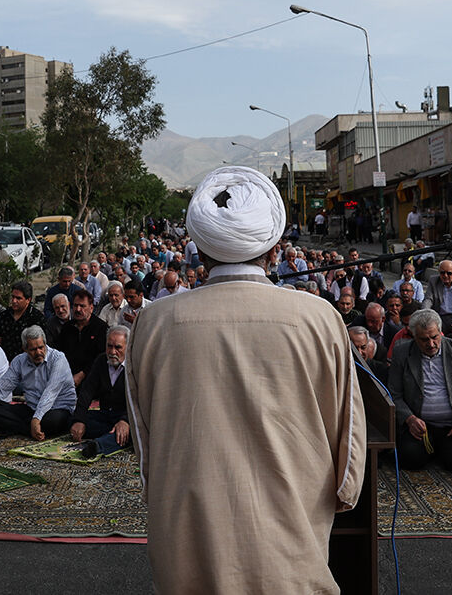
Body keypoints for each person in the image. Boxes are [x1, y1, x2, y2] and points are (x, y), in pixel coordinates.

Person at [127, 166, 365, 595]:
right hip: (293, 526)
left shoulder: (153, 322)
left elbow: (145, 442)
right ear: (274, 250)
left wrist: (159, 492)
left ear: (199, 247)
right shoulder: (319, 318)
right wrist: (344, 492)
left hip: (187, 524)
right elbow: (348, 432)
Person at [387, 309, 452, 472]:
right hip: (420, 425)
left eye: (434, 337)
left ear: (441, 332)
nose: (431, 344)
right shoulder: (402, 352)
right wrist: (409, 419)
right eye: (424, 340)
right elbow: (394, 393)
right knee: (410, 458)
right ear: (414, 337)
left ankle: (441, 451)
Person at [0, 325, 76, 439]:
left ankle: (23, 426)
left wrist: (36, 419)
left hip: (58, 408)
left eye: (41, 347)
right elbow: (1, 387)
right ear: (25, 349)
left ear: (45, 344)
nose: (38, 352)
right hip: (32, 408)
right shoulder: (20, 361)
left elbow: (51, 393)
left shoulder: (58, 359)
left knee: (52, 422)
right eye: (33, 349)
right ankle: (30, 427)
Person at [70, 325, 132, 458]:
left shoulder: (135, 365)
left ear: (128, 346)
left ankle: (98, 446)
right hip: (105, 415)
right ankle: (112, 436)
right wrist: (79, 420)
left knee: (132, 432)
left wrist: (125, 420)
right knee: (71, 418)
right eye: (109, 346)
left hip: (126, 416)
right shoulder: (101, 361)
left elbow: (140, 399)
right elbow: (87, 391)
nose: (113, 352)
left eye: (118, 347)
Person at [57, 290, 109, 386]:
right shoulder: (67, 328)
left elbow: (101, 357)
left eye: (82, 306)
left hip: (93, 379)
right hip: (68, 378)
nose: (78, 309)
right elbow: (60, 353)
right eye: (75, 305)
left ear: (91, 308)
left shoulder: (101, 328)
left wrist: (82, 374)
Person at [0, 281, 44, 362]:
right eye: (13, 297)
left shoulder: (36, 318)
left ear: (28, 300)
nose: (14, 301)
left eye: (18, 298)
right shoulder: (4, 316)